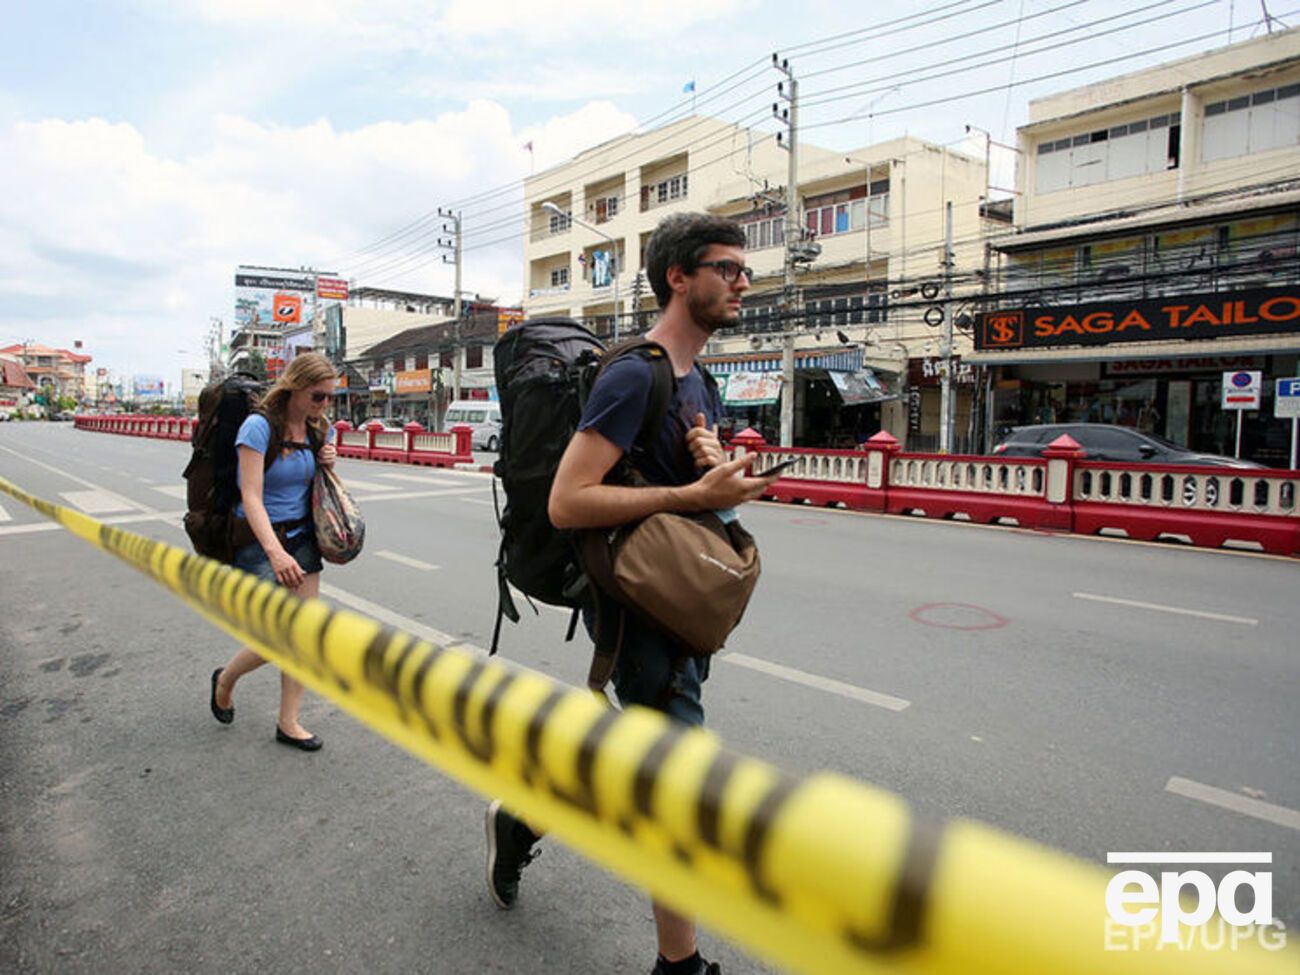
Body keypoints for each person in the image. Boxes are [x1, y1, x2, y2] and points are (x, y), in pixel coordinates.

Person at [484, 213, 779, 975]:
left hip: (679, 606)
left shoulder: (701, 382)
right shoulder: (633, 374)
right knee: (679, 791)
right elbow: (566, 501)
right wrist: (690, 494)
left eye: (745, 270)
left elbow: (696, 496)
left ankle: (522, 820)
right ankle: (679, 964)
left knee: (625, 762)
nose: (742, 281)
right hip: (639, 616)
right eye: (726, 268)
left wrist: (719, 482)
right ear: (678, 276)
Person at [208, 352, 338, 752]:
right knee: (277, 636)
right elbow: (251, 496)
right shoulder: (258, 427)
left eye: (330, 397)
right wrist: (275, 553)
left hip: (303, 538)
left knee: (301, 635)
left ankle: (289, 721)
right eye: (318, 396)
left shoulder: (320, 429)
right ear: (295, 387)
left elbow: (317, 490)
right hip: (260, 540)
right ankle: (226, 680)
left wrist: (329, 463)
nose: (324, 405)